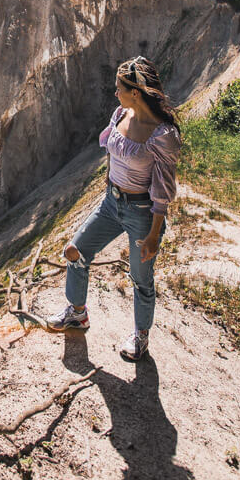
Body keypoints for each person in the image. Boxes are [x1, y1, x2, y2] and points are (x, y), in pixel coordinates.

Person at [47, 56, 181, 361]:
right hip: (111, 202)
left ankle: (141, 336)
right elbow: (111, 151)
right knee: (75, 251)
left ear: (135, 92)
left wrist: (153, 234)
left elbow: (162, 191)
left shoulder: (162, 136)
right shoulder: (120, 113)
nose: (115, 93)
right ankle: (77, 314)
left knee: (141, 279)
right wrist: (110, 186)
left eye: (119, 88)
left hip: (141, 212)